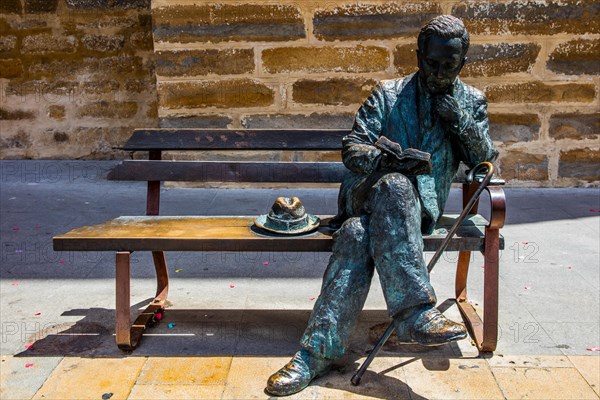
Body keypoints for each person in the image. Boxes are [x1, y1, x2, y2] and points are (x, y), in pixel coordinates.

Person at [266, 15, 498, 396]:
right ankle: (414, 312)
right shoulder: (388, 94)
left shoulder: (471, 101)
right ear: (419, 55)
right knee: (393, 183)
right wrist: (384, 160)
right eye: (431, 62)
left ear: (463, 62)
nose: (439, 72)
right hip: (368, 194)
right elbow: (353, 145)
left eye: (449, 65)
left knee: (356, 235)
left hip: (418, 211)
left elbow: (484, 160)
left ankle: (316, 353)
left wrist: (458, 119)